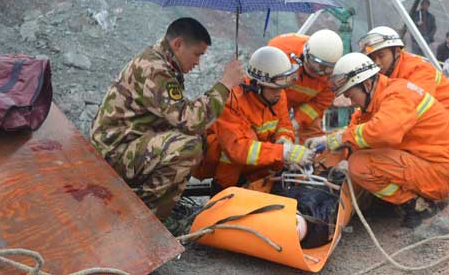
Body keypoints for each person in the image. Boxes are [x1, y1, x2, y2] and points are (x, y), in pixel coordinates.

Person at [90, 17, 244, 220]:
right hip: (113, 152)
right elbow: (189, 121)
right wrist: (225, 84)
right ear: (178, 44)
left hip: (126, 144)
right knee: (187, 147)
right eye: (197, 54)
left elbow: (180, 115)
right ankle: (145, 220)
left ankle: (160, 204)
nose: (197, 63)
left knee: (198, 140)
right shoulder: (155, 69)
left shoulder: (162, 62)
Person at [305, 53, 449, 228]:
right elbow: (359, 130)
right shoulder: (381, 97)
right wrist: (329, 140)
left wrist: (341, 139)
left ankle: (416, 206)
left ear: (367, 84)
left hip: (441, 172)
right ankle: (408, 200)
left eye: (351, 95)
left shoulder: (397, 95)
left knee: (360, 164)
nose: (351, 102)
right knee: (359, 154)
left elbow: (384, 132)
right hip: (436, 164)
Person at [197, 46, 316, 193]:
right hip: (223, 166)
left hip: (256, 164)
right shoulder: (232, 100)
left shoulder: (278, 95)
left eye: (281, 87)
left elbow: (284, 124)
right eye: (273, 88)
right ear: (257, 85)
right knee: (248, 141)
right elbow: (237, 149)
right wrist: (282, 152)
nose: (279, 93)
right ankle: (222, 191)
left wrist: (284, 140)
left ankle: (260, 186)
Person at [358, 26, 449, 139]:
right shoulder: (385, 74)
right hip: (436, 119)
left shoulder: (418, 70)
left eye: (381, 56)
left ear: (397, 52)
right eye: (372, 58)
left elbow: (411, 109)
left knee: (396, 129)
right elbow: (371, 109)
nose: (377, 63)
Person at [268, 30, 343, 143]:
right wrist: (285, 128)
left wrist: (297, 122)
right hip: (277, 96)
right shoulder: (280, 51)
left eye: (326, 68)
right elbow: (269, 88)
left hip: (307, 101)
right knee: (268, 127)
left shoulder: (333, 76)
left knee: (313, 135)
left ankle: (316, 157)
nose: (319, 72)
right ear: (305, 53)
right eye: (315, 64)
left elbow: (319, 104)